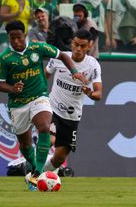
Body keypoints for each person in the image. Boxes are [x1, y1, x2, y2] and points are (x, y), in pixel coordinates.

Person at [0, 20, 87, 190]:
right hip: (18, 104)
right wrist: (12, 88)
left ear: (25, 34)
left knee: (44, 127)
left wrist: (74, 72)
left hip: (39, 97)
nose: (16, 41)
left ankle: (37, 173)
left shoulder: (37, 48)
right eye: (12, 38)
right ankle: (31, 166)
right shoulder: (5, 58)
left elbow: (62, 55)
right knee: (25, 145)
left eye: (19, 37)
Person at [43, 29, 102, 173]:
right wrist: (40, 97)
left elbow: (99, 94)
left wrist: (90, 93)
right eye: (76, 44)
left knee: (59, 158)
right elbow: (44, 77)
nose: (78, 49)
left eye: (82, 46)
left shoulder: (92, 65)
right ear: (72, 43)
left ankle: (37, 172)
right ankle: (36, 172)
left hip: (72, 116)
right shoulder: (60, 58)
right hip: (52, 109)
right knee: (49, 140)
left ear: (89, 46)